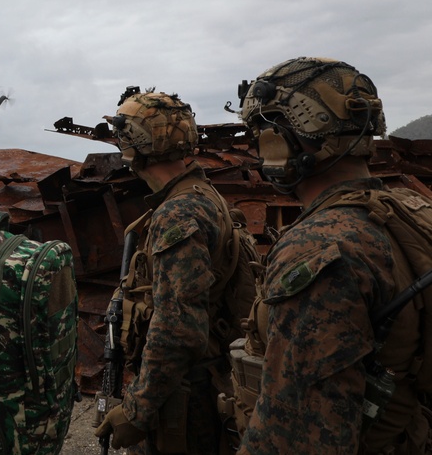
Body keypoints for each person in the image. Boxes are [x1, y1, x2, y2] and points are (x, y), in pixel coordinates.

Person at [235, 56, 430, 454]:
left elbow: (298, 434)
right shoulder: (411, 211)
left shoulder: (318, 247)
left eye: (264, 133)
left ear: (286, 137)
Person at [95, 87, 253, 454]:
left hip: (186, 399)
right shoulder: (204, 196)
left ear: (135, 145)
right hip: (204, 381)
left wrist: (137, 411)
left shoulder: (178, 213)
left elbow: (178, 329)